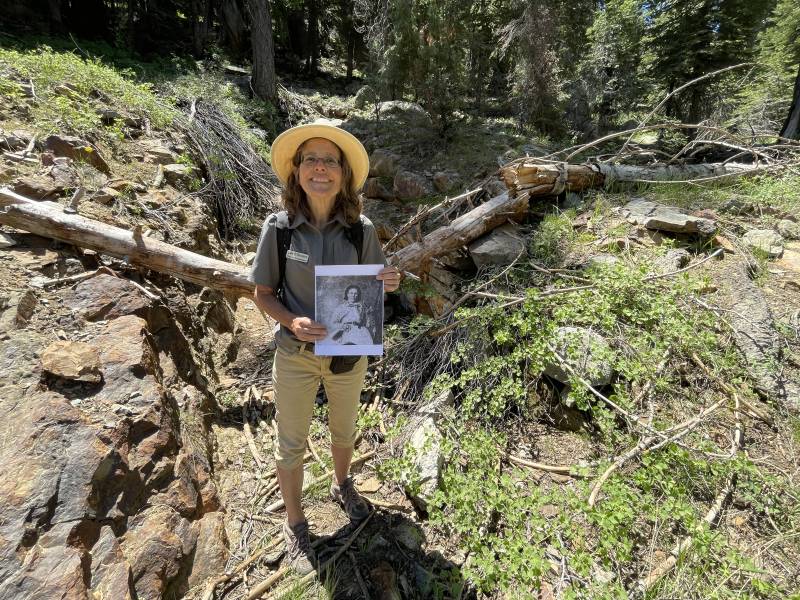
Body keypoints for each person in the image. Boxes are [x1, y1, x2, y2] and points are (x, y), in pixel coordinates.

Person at [249, 119, 401, 575]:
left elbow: (374, 287)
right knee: (290, 443)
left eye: (329, 160)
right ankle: (296, 523)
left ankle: (341, 483)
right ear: (297, 171)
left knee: (344, 429)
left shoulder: (361, 230)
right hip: (294, 356)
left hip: (347, 355)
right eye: (311, 159)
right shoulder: (279, 229)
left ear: (343, 173)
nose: (320, 168)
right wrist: (291, 321)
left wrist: (389, 281)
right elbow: (262, 293)